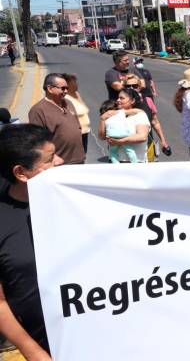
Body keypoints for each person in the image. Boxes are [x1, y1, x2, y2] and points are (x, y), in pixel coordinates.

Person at [0, 124, 64, 361]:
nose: (60, 161)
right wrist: (33, 351)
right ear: (21, 173)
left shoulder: (75, 198)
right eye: (49, 159)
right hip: (47, 345)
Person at [27, 73, 85, 164]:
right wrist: (53, 158)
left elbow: (77, 126)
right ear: (50, 88)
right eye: (63, 88)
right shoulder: (38, 110)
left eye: (67, 88)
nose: (66, 91)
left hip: (79, 159)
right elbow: (38, 141)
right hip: (59, 163)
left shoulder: (68, 103)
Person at [123, 74, 171, 158]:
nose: (131, 88)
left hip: (147, 144)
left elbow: (154, 121)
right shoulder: (120, 103)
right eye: (128, 86)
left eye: (134, 86)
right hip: (126, 146)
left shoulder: (148, 100)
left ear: (139, 87)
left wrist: (163, 141)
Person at [98, 88, 151, 163]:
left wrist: (120, 141)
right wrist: (102, 120)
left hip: (136, 162)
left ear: (132, 101)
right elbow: (102, 137)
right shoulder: (112, 115)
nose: (118, 100)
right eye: (118, 98)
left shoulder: (140, 115)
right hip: (115, 161)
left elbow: (142, 137)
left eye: (122, 98)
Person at [60, 73, 91, 154]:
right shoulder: (64, 98)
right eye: (74, 82)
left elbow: (84, 108)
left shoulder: (76, 94)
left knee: (83, 154)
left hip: (84, 131)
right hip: (75, 133)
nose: (77, 85)